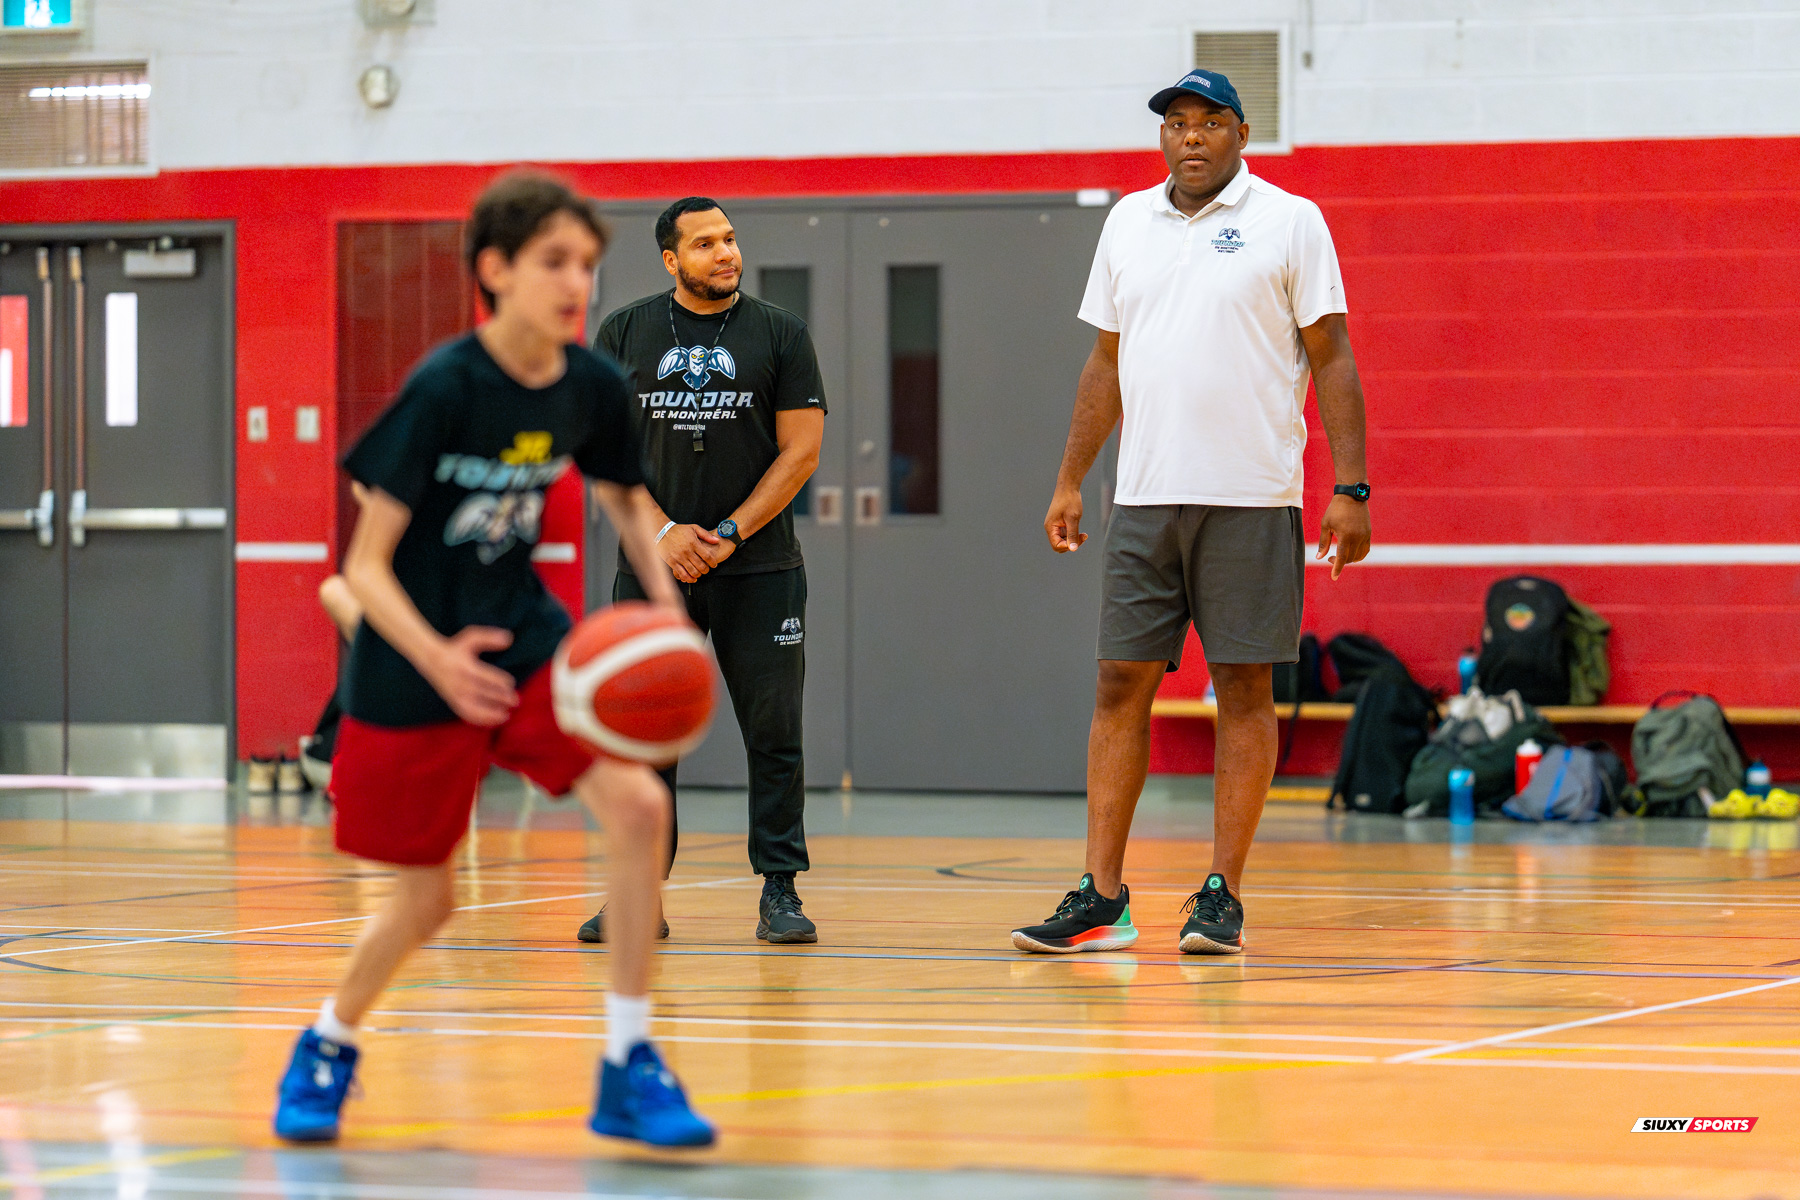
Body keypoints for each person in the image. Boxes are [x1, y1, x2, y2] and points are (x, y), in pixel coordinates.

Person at [272, 172, 714, 1148]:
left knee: (640, 806)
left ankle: (628, 1063)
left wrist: (673, 623)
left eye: (588, 267)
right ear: (496, 270)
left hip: (522, 637)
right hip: (415, 661)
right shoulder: (445, 387)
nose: (576, 285)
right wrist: (435, 660)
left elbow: (630, 505)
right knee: (426, 897)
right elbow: (364, 566)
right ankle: (327, 1041)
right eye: (555, 263)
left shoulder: (589, 383)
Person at [1011, 69, 1373, 956]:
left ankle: (1223, 894)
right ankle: (1101, 898)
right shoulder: (1128, 220)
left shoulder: (1291, 220)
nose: (1192, 137)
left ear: (1241, 133)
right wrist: (1070, 478)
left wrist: (1351, 488)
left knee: (1246, 688)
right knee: (1118, 686)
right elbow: (1106, 362)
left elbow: (1332, 356)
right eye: (1176, 123)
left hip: (1251, 496)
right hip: (1143, 498)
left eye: (1210, 122)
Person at [578, 197, 826, 946]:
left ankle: (779, 891)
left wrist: (726, 532)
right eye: (706, 243)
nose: (726, 253)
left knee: (774, 731)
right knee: (645, 738)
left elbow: (802, 452)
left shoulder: (780, 333)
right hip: (653, 573)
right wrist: (660, 532)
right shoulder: (624, 331)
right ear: (670, 259)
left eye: (730, 238)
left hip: (761, 567)